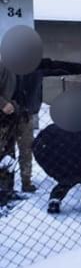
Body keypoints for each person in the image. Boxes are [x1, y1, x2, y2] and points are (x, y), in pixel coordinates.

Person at [12, 58, 81, 193]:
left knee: (26, 150)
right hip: (4, 115)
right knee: (6, 152)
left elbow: (63, 66)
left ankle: (25, 182)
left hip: (25, 115)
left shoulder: (37, 65)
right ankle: (5, 187)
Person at [32, 122, 81, 214]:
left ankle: (56, 197)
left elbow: (37, 147)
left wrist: (51, 169)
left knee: (68, 177)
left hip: (63, 168)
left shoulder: (52, 128)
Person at [0, 63, 18, 205]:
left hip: (10, 118)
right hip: (3, 115)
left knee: (9, 155)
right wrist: (3, 104)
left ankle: (7, 191)